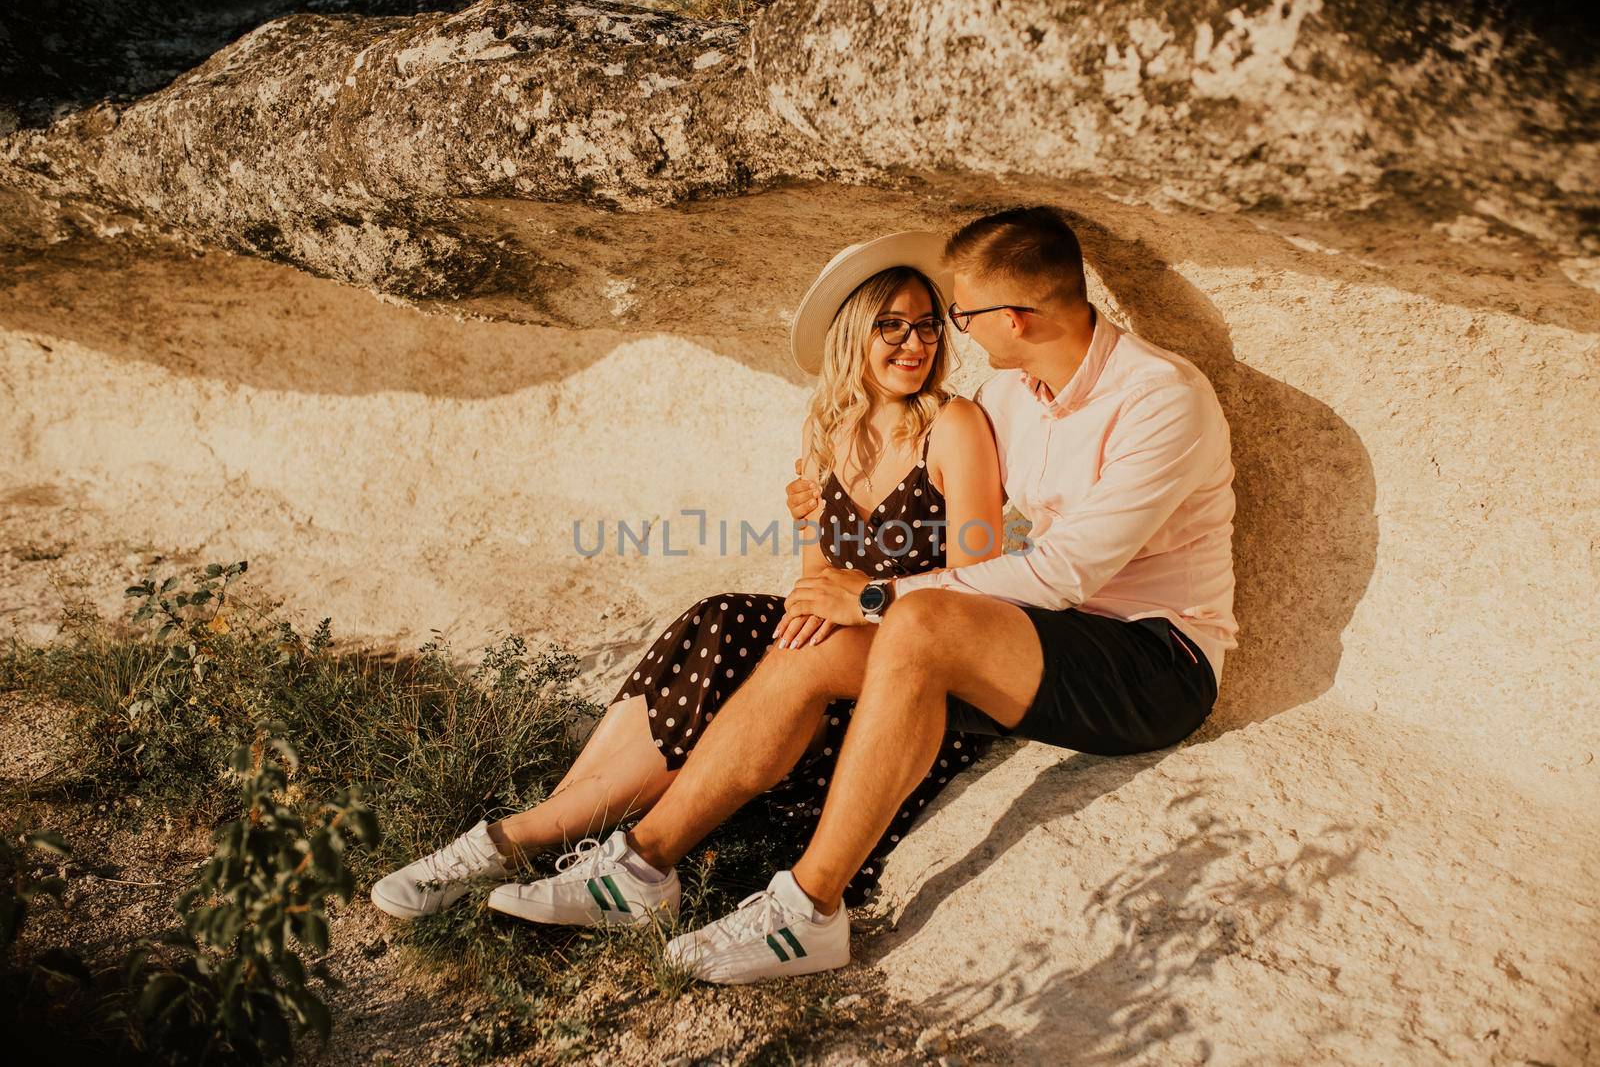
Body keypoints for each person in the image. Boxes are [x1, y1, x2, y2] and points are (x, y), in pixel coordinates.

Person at [468, 204, 1237, 986]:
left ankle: (810, 910)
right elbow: (936, 481)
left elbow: (1066, 571)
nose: (954, 334)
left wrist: (875, 595)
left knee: (918, 619)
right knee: (814, 645)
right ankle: (639, 869)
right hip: (1037, 638)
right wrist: (828, 506)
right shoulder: (1015, 393)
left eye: (960, 316)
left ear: (1014, 317)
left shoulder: (1159, 396)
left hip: (1153, 660)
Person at [369, 231, 1007, 926]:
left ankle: (515, 841)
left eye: (926, 326)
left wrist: (860, 602)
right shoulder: (824, 434)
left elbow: (983, 583)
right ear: (855, 332)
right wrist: (812, 534)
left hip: (916, 660)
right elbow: (814, 587)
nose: (915, 344)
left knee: (781, 653)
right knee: (722, 619)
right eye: (892, 325)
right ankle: (572, 837)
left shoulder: (955, 424)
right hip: (840, 645)